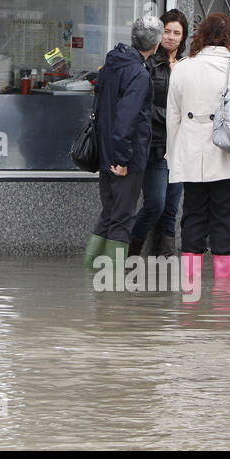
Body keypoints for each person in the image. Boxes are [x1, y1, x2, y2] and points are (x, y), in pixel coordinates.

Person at [166, 13, 230, 285]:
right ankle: (223, 297)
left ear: (200, 35)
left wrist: (174, 155)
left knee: (193, 218)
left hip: (191, 155)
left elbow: (172, 118)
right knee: (225, 221)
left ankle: (191, 291)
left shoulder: (183, 67)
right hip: (228, 156)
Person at [83, 15, 163, 272]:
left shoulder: (112, 64)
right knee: (122, 218)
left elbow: (103, 110)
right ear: (156, 45)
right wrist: (123, 159)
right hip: (123, 158)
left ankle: (91, 273)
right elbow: (127, 119)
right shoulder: (138, 74)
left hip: (106, 153)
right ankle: (112, 285)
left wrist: (112, 155)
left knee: (108, 214)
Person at [129, 9, 188, 258]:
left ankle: (164, 262)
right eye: (167, 31)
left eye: (177, 33)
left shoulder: (187, 65)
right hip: (155, 145)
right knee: (155, 203)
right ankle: (129, 252)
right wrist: (172, 118)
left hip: (180, 147)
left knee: (172, 208)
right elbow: (144, 105)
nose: (171, 37)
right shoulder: (150, 64)